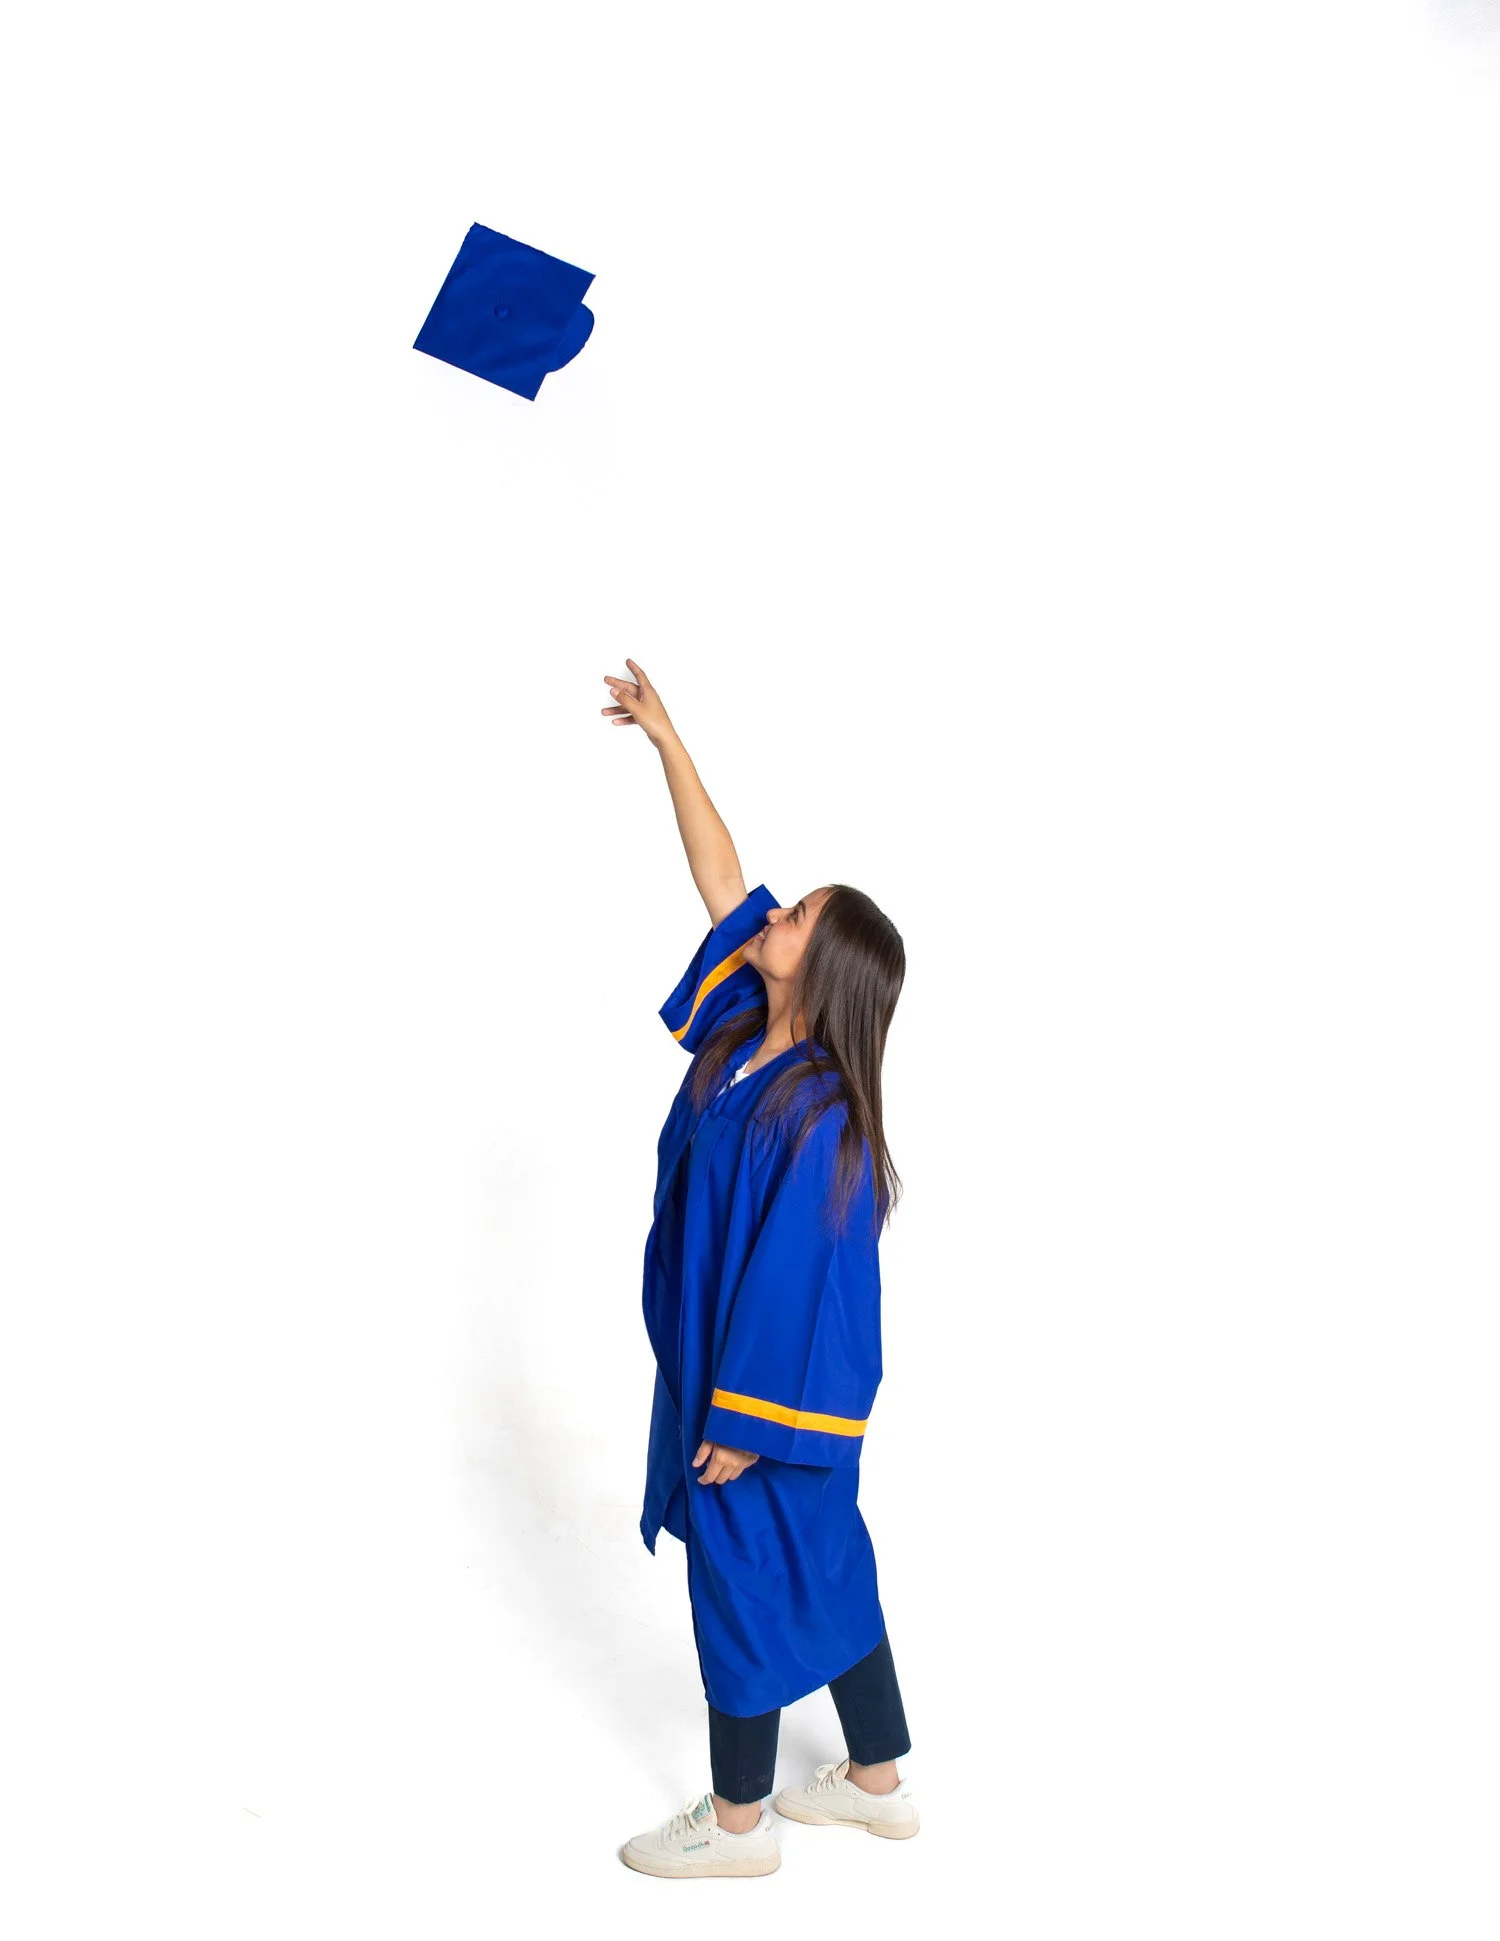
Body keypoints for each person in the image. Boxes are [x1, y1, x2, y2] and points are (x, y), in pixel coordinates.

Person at [599, 660, 917, 1880]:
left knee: (739, 1573)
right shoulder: (746, 1035)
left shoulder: (822, 1113)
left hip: (763, 1394)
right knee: (823, 1563)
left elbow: (798, 1278)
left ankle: (739, 1830)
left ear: (822, 966)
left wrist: (740, 1417)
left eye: (799, 918)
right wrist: (669, 742)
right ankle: (878, 1783)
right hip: (722, 1356)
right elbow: (723, 878)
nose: (773, 915)